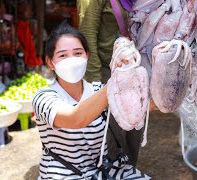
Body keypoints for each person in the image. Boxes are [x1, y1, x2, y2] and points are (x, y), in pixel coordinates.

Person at [32, 20, 149, 179]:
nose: (72, 60)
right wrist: (116, 81)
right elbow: (76, 118)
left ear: (87, 56)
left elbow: (143, 106)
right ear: (50, 63)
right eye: (63, 55)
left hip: (104, 170)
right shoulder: (43, 97)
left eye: (78, 53)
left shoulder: (97, 90)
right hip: (63, 175)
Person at [77, 0, 143, 167]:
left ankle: (128, 172)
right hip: (107, 72)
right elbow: (87, 33)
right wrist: (94, 83)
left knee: (134, 132)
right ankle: (111, 172)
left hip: (135, 69)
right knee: (112, 137)